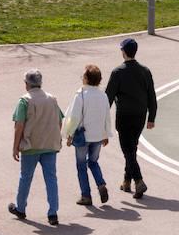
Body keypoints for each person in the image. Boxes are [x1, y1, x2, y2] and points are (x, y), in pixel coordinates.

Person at [8, 69, 63, 226]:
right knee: (51, 178)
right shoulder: (52, 99)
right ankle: (53, 213)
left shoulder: (24, 101)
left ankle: (21, 208)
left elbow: (19, 126)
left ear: (27, 84)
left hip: (31, 146)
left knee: (25, 177)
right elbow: (59, 121)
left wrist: (15, 147)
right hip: (49, 146)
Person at [105, 37, 157, 200]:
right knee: (131, 148)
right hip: (140, 116)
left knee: (127, 150)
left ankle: (139, 180)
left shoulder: (118, 72)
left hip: (124, 116)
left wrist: (101, 117)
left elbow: (108, 98)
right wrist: (152, 117)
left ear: (123, 52)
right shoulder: (145, 71)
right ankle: (126, 182)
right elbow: (151, 96)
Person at [63, 64, 112, 206]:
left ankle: (86, 195)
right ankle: (101, 184)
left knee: (81, 165)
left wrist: (69, 134)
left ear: (86, 79)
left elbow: (74, 117)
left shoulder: (81, 95)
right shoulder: (103, 95)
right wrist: (106, 134)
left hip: (83, 137)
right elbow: (106, 116)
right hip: (98, 136)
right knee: (93, 162)